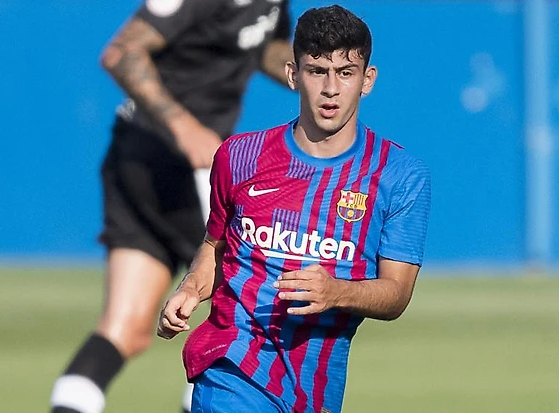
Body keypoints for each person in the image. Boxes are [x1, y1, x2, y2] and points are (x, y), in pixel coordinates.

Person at [157, 5, 432, 412]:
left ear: (367, 80)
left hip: (315, 388)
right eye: (317, 71)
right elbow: (216, 246)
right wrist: (191, 289)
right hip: (231, 366)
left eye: (345, 72)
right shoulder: (239, 156)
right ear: (292, 75)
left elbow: (397, 294)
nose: (331, 88)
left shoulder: (399, 175)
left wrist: (337, 292)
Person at [49, 1, 294, 412]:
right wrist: (185, 128)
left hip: (163, 160)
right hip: (164, 160)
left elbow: (261, 43)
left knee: (126, 329)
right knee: (246, 322)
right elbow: (121, 52)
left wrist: (314, 71)